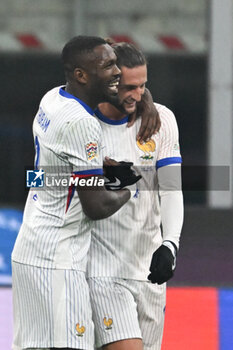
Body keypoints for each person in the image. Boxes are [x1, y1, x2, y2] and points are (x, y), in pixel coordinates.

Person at [11, 36, 145, 350]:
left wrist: (101, 167)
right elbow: (96, 206)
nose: (118, 73)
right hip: (58, 258)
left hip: (32, 251)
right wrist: (127, 190)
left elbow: (62, 165)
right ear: (81, 75)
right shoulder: (83, 123)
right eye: (109, 65)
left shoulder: (53, 99)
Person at [87, 42, 184, 350]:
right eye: (129, 87)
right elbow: (37, 178)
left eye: (143, 86)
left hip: (149, 271)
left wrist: (170, 243)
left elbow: (171, 188)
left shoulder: (161, 120)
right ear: (108, 82)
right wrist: (94, 180)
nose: (138, 95)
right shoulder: (82, 124)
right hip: (103, 272)